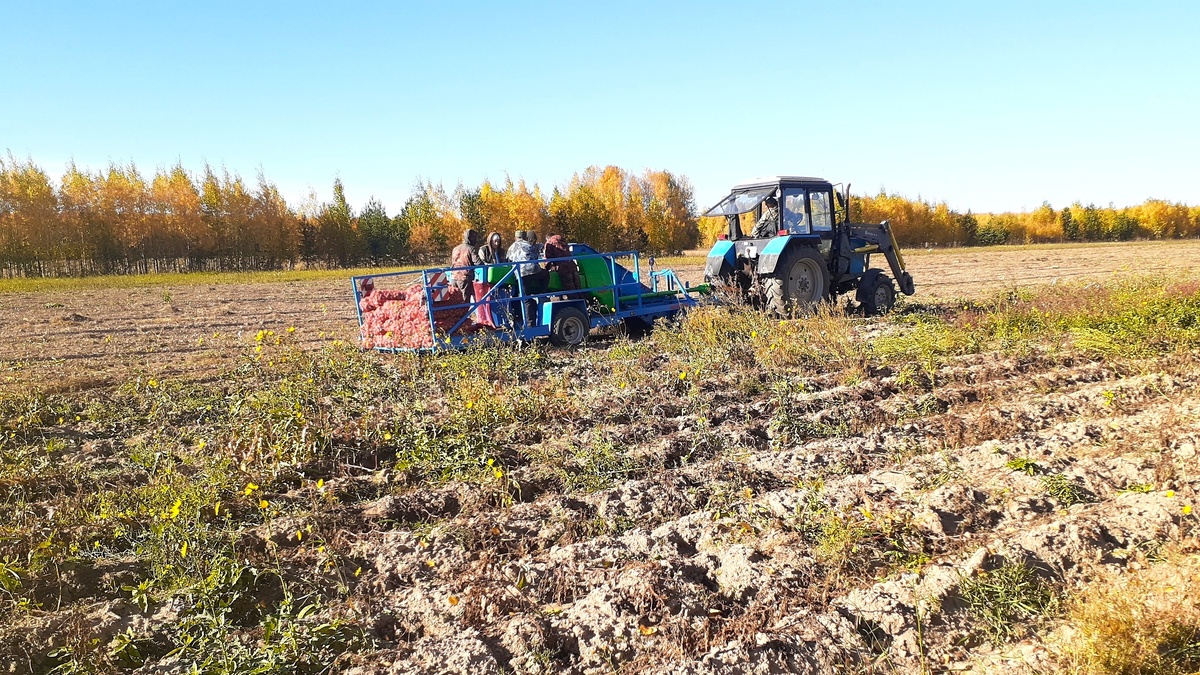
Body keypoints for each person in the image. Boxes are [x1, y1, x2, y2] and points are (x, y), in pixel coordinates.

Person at [506, 230, 549, 324]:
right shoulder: (529, 245)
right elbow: (535, 259)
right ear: (525, 237)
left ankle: (529, 324)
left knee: (525, 298)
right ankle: (543, 292)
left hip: (520, 274)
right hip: (532, 271)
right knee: (546, 274)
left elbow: (508, 261)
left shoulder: (511, 247)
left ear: (515, 237)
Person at [450, 229, 481, 305]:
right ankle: (465, 316)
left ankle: (458, 317)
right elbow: (478, 263)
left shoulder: (455, 249)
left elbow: (453, 263)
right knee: (465, 304)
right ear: (471, 238)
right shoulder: (471, 249)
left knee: (455, 303)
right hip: (464, 278)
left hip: (453, 278)